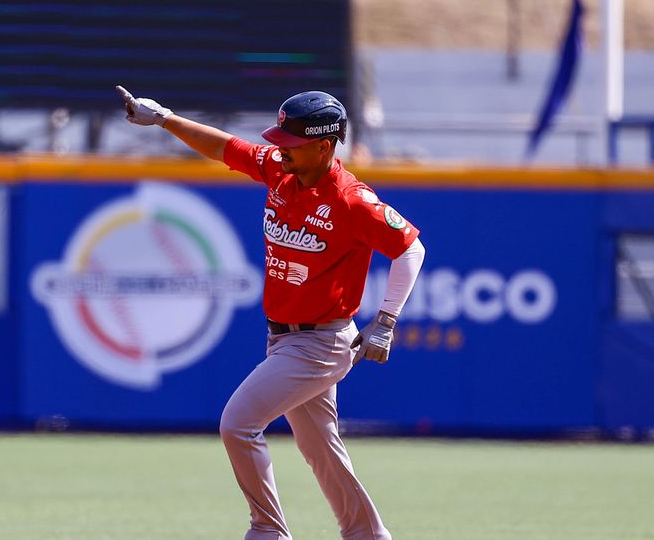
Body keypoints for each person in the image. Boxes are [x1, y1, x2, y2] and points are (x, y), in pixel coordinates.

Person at [114, 86, 425, 540]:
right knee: (322, 449)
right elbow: (224, 147)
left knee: (238, 424)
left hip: (321, 341)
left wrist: (386, 320)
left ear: (324, 145)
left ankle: (268, 531)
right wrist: (165, 118)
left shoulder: (352, 200)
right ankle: (368, 535)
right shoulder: (281, 170)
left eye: (293, 144)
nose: (281, 151)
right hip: (284, 337)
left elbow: (410, 248)